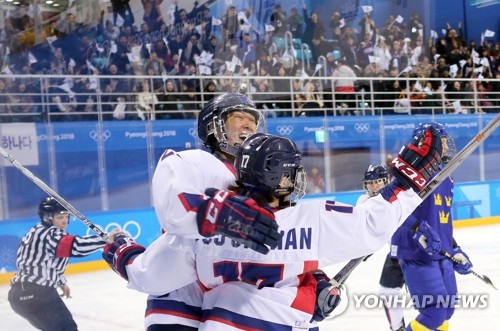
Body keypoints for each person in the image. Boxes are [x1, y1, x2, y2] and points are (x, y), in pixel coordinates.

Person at [104, 122, 443, 329]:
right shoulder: (304, 219)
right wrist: (406, 178)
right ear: (276, 175)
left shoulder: (196, 237)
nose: (297, 178)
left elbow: (149, 274)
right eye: (291, 172)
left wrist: (120, 248)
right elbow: (371, 227)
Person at [105, 93, 280, 330]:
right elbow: (175, 209)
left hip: (238, 307)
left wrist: (312, 281)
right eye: (239, 117)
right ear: (212, 127)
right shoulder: (192, 162)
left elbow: (288, 241)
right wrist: (217, 213)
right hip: (181, 306)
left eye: (253, 120)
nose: (249, 124)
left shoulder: (264, 182)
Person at [390, 122, 472, 331]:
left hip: (441, 251)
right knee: (434, 312)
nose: (445, 147)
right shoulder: (410, 171)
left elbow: (442, 220)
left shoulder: (447, 175)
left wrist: (455, 249)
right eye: (441, 142)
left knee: (446, 311)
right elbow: (393, 211)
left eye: (445, 142)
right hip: (416, 251)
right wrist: (417, 230)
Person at [8, 197, 122, 331]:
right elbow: (76, 246)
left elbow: (42, 261)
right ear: (47, 218)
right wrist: (105, 240)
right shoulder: (50, 234)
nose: (65, 221)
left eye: (66, 216)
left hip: (19, 295)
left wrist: (60, 282)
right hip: (37, 294)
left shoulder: (35, 231)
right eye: (59, 217)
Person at [356, 164, 406, 331]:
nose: (374, 186)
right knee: (388, 291)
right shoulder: (364, 202)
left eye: (378, 182)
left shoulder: (399, 197)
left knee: (422, 295)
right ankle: (398, 328)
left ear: (387, 181)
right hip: (395, 252)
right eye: (370, 183)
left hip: (412, 249)